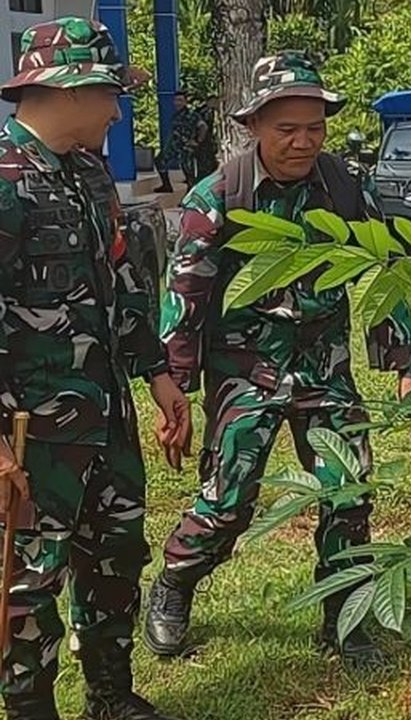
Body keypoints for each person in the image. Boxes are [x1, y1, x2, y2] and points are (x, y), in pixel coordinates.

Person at [143, 50, 411, 670]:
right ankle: (176, 581)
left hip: (324, 364)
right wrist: (176, 389)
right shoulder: (219, 197)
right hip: (246, 367)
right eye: (287, 129)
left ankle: (345, 618)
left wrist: (408, 364)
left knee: (348, 491)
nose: (303, 142)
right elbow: (185, 295)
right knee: (229, 499)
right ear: (254, 126)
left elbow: (384, 273)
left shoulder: (346, 187)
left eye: (315, 128)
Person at [0, 16, 193, 720]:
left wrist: (159, 377)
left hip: (105, 416)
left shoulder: (87, 172)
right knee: (29, 581)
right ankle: (30, 708)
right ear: (70, 89)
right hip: (31, 432)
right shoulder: (4, 180)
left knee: (115, 558)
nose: (117, 111)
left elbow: (124, 285)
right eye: (111, 94)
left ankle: (110, 697)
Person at [153, 89, 209, 194]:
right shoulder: (176, 115)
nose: (177, 103)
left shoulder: (192, 114)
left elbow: (203, 126)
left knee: (188, 170)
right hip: (175, 145)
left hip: (186, 146)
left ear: (185, 102)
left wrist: (197, 141)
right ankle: (166, 185)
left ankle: (191, 194)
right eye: (176, 100)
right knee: (160, 161)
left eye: (180, 100)